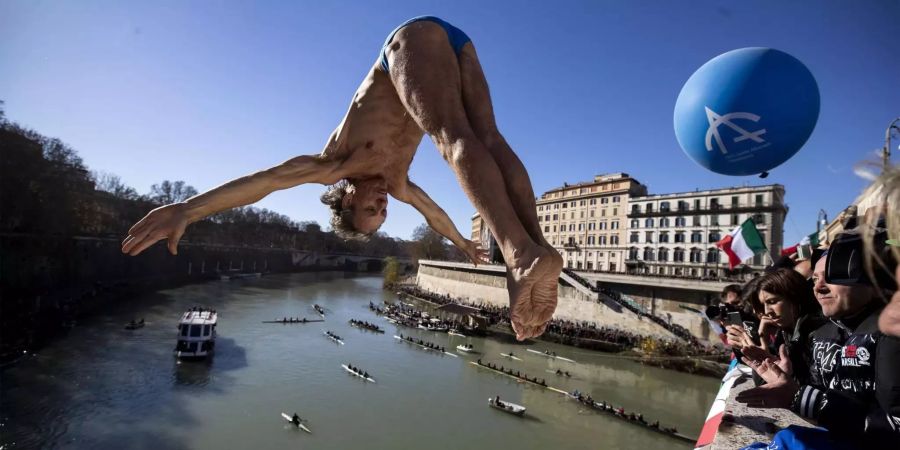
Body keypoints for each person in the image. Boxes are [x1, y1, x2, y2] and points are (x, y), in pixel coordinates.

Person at [119, 16, 563, 340]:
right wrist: (463, 244)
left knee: (451, 136)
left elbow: (264, 183)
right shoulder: (399, 181)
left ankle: (520, 256)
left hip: (409, 44)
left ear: (346, 198)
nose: (384, 203)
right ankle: (536, 249)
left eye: (371, 208)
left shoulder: (335, 163)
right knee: (490, 138)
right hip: (459, 45)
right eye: (383, 212)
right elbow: (434, 215)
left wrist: (188, 209)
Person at [736, 253, 900, 446]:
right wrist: (782, 377)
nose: (818, 287)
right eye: (814, 280)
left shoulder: (879, 333)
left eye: (832, 276)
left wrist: (797, 395)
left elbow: (888, 421)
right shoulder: (818, 333)